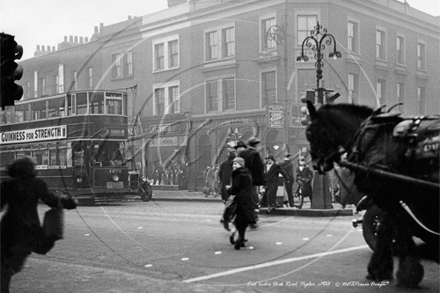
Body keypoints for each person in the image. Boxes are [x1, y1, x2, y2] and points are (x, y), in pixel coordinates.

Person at [1, 157, 77, 293]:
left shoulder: (8, 186)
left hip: (8, 232)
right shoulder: (37, 185)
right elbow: (53, 201)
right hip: (29, 232)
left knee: (5, 267)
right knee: (14, 265)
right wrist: (69, 202)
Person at [226, 157, 256, 250]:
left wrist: (229, 189)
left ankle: (239, 239)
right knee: (243, 220)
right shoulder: (247, 173)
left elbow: (236, 188)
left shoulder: (238, 174)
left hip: (240, 200)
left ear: (241, 165)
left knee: (239, 220)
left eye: (236, 164)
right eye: (233, 164)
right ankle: (241, 238)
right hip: (248, 199)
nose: (234, 166)